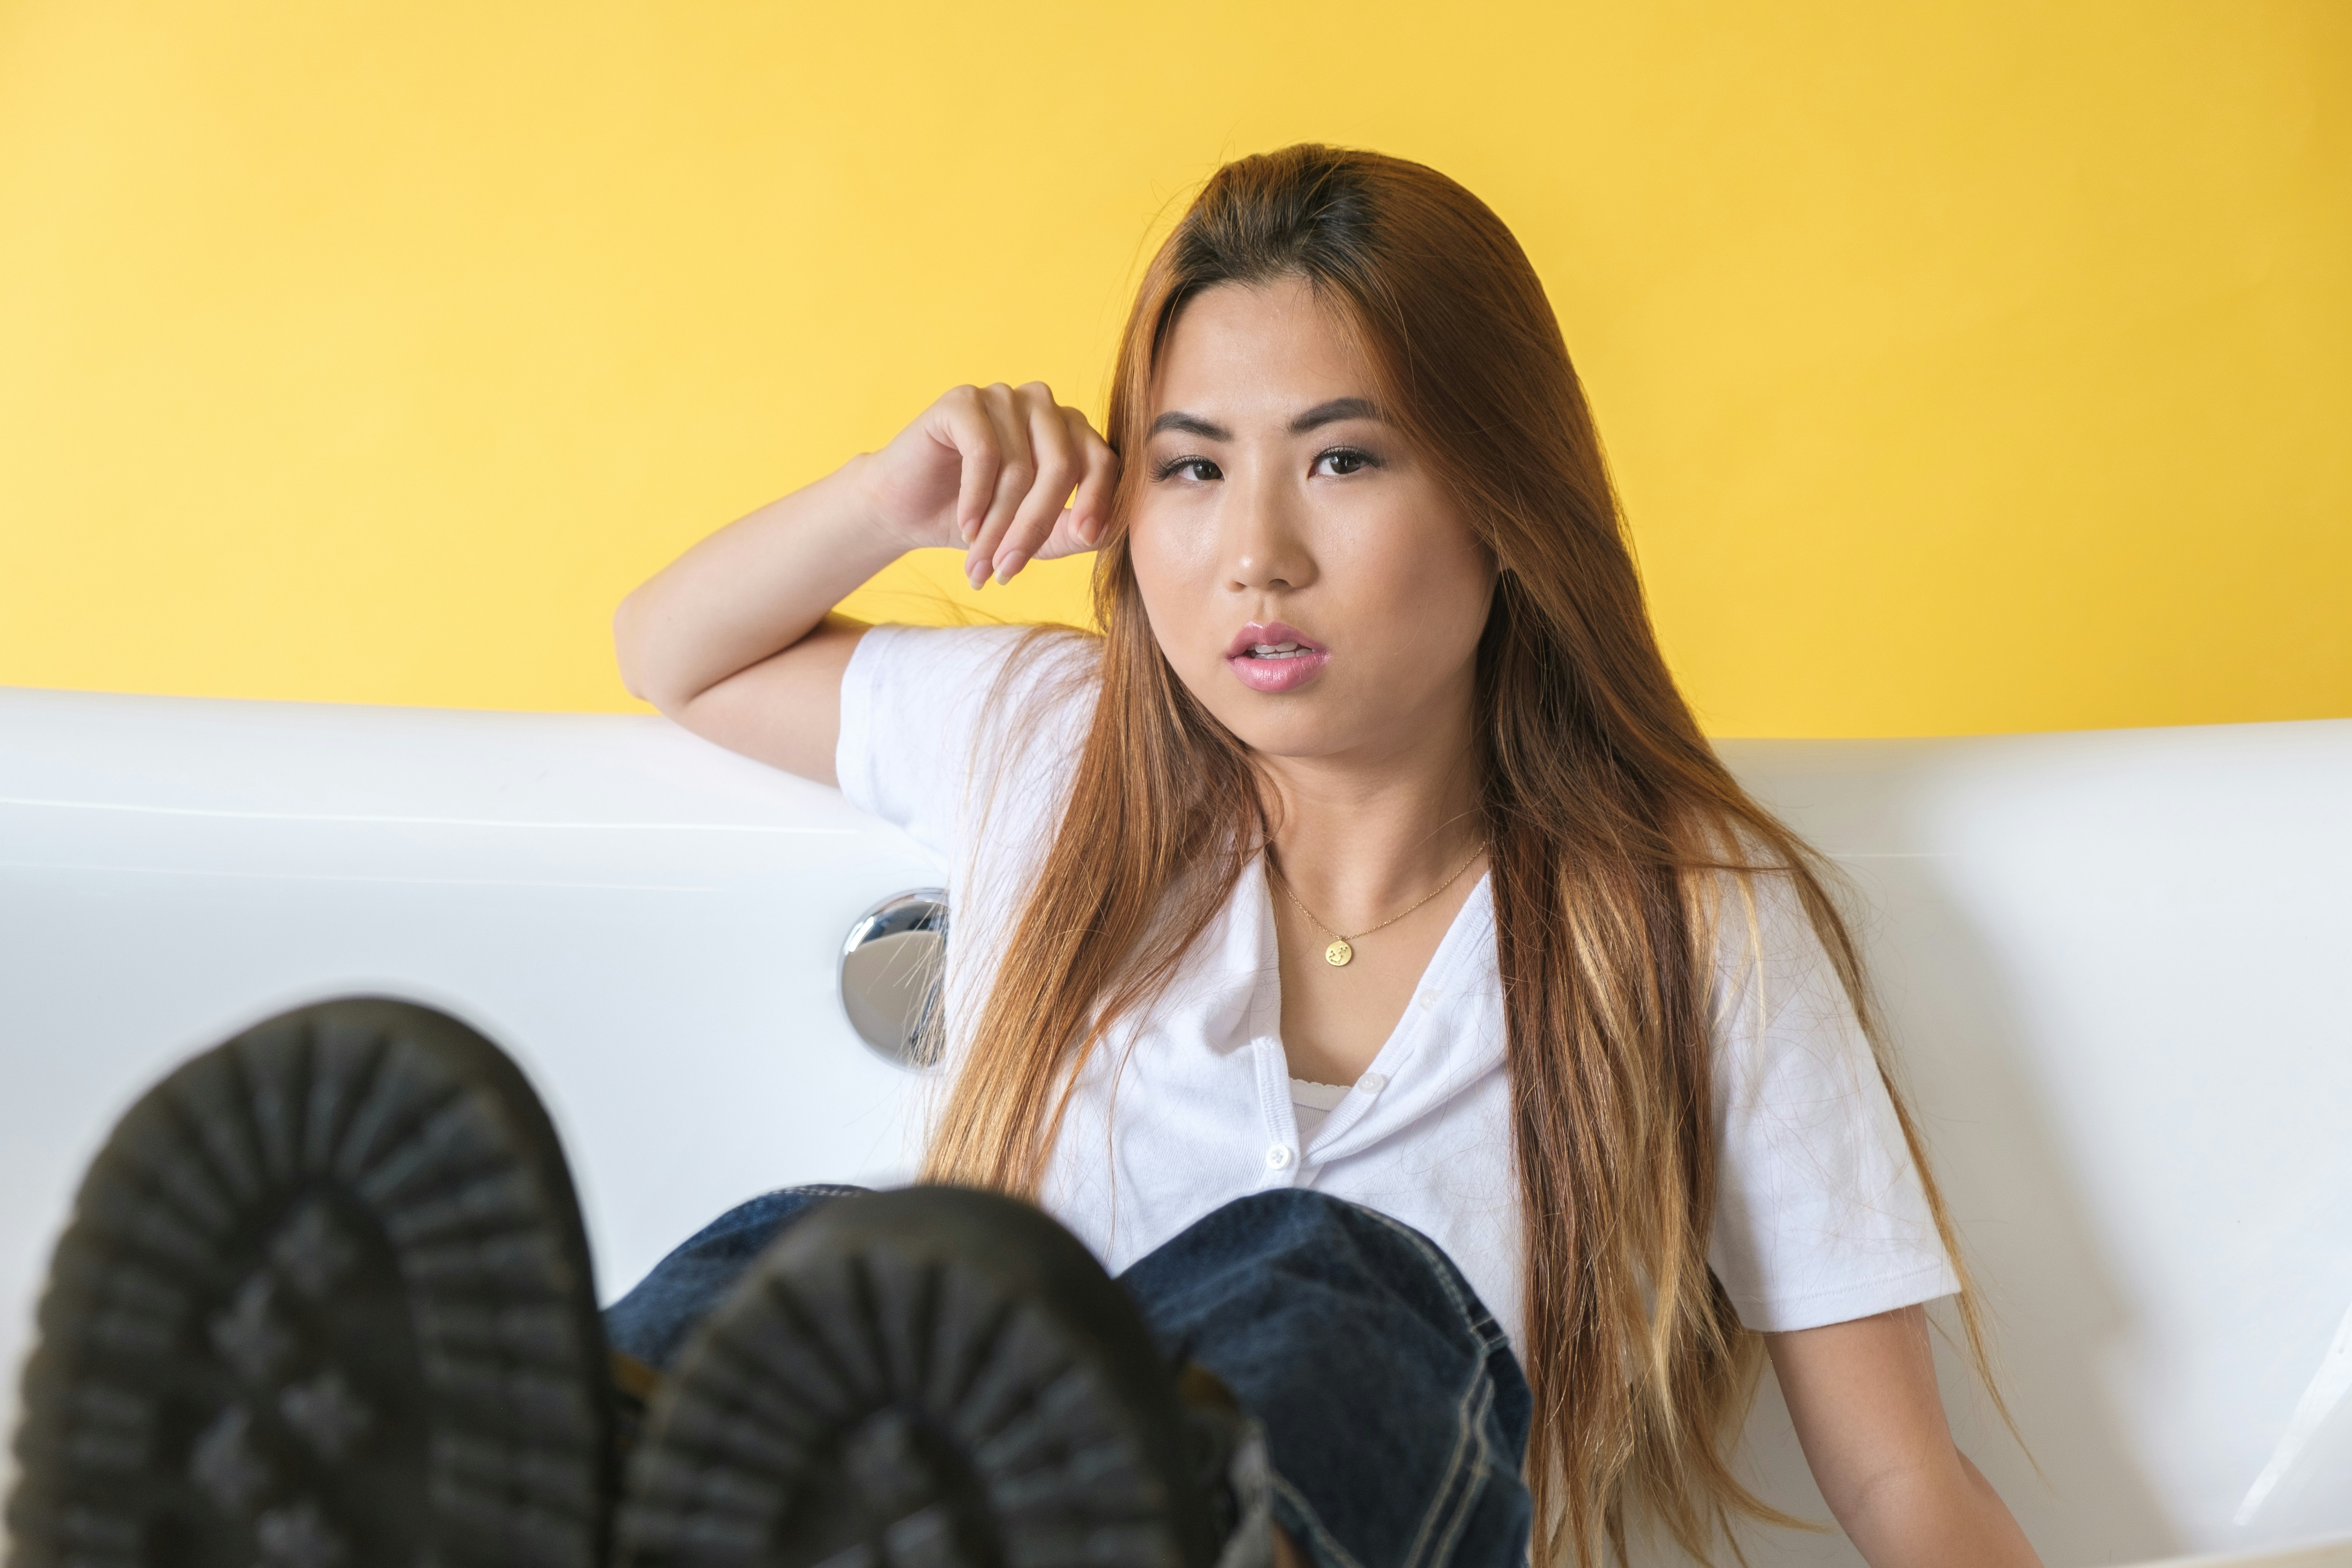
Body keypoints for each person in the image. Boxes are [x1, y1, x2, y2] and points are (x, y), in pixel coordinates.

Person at [6, 146, 2040, 1568]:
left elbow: (1897, 1488)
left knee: (1339, 1292)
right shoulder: (1056, 747)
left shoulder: (1681, 922)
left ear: (1502, 505)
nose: (1251, 554)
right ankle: (474, 1503)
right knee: (826, 1259)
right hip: (914, 1503)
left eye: (1342, 459)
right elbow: (678, 654)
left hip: (1325, 1512)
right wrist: (896, 490)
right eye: (1187, 467)